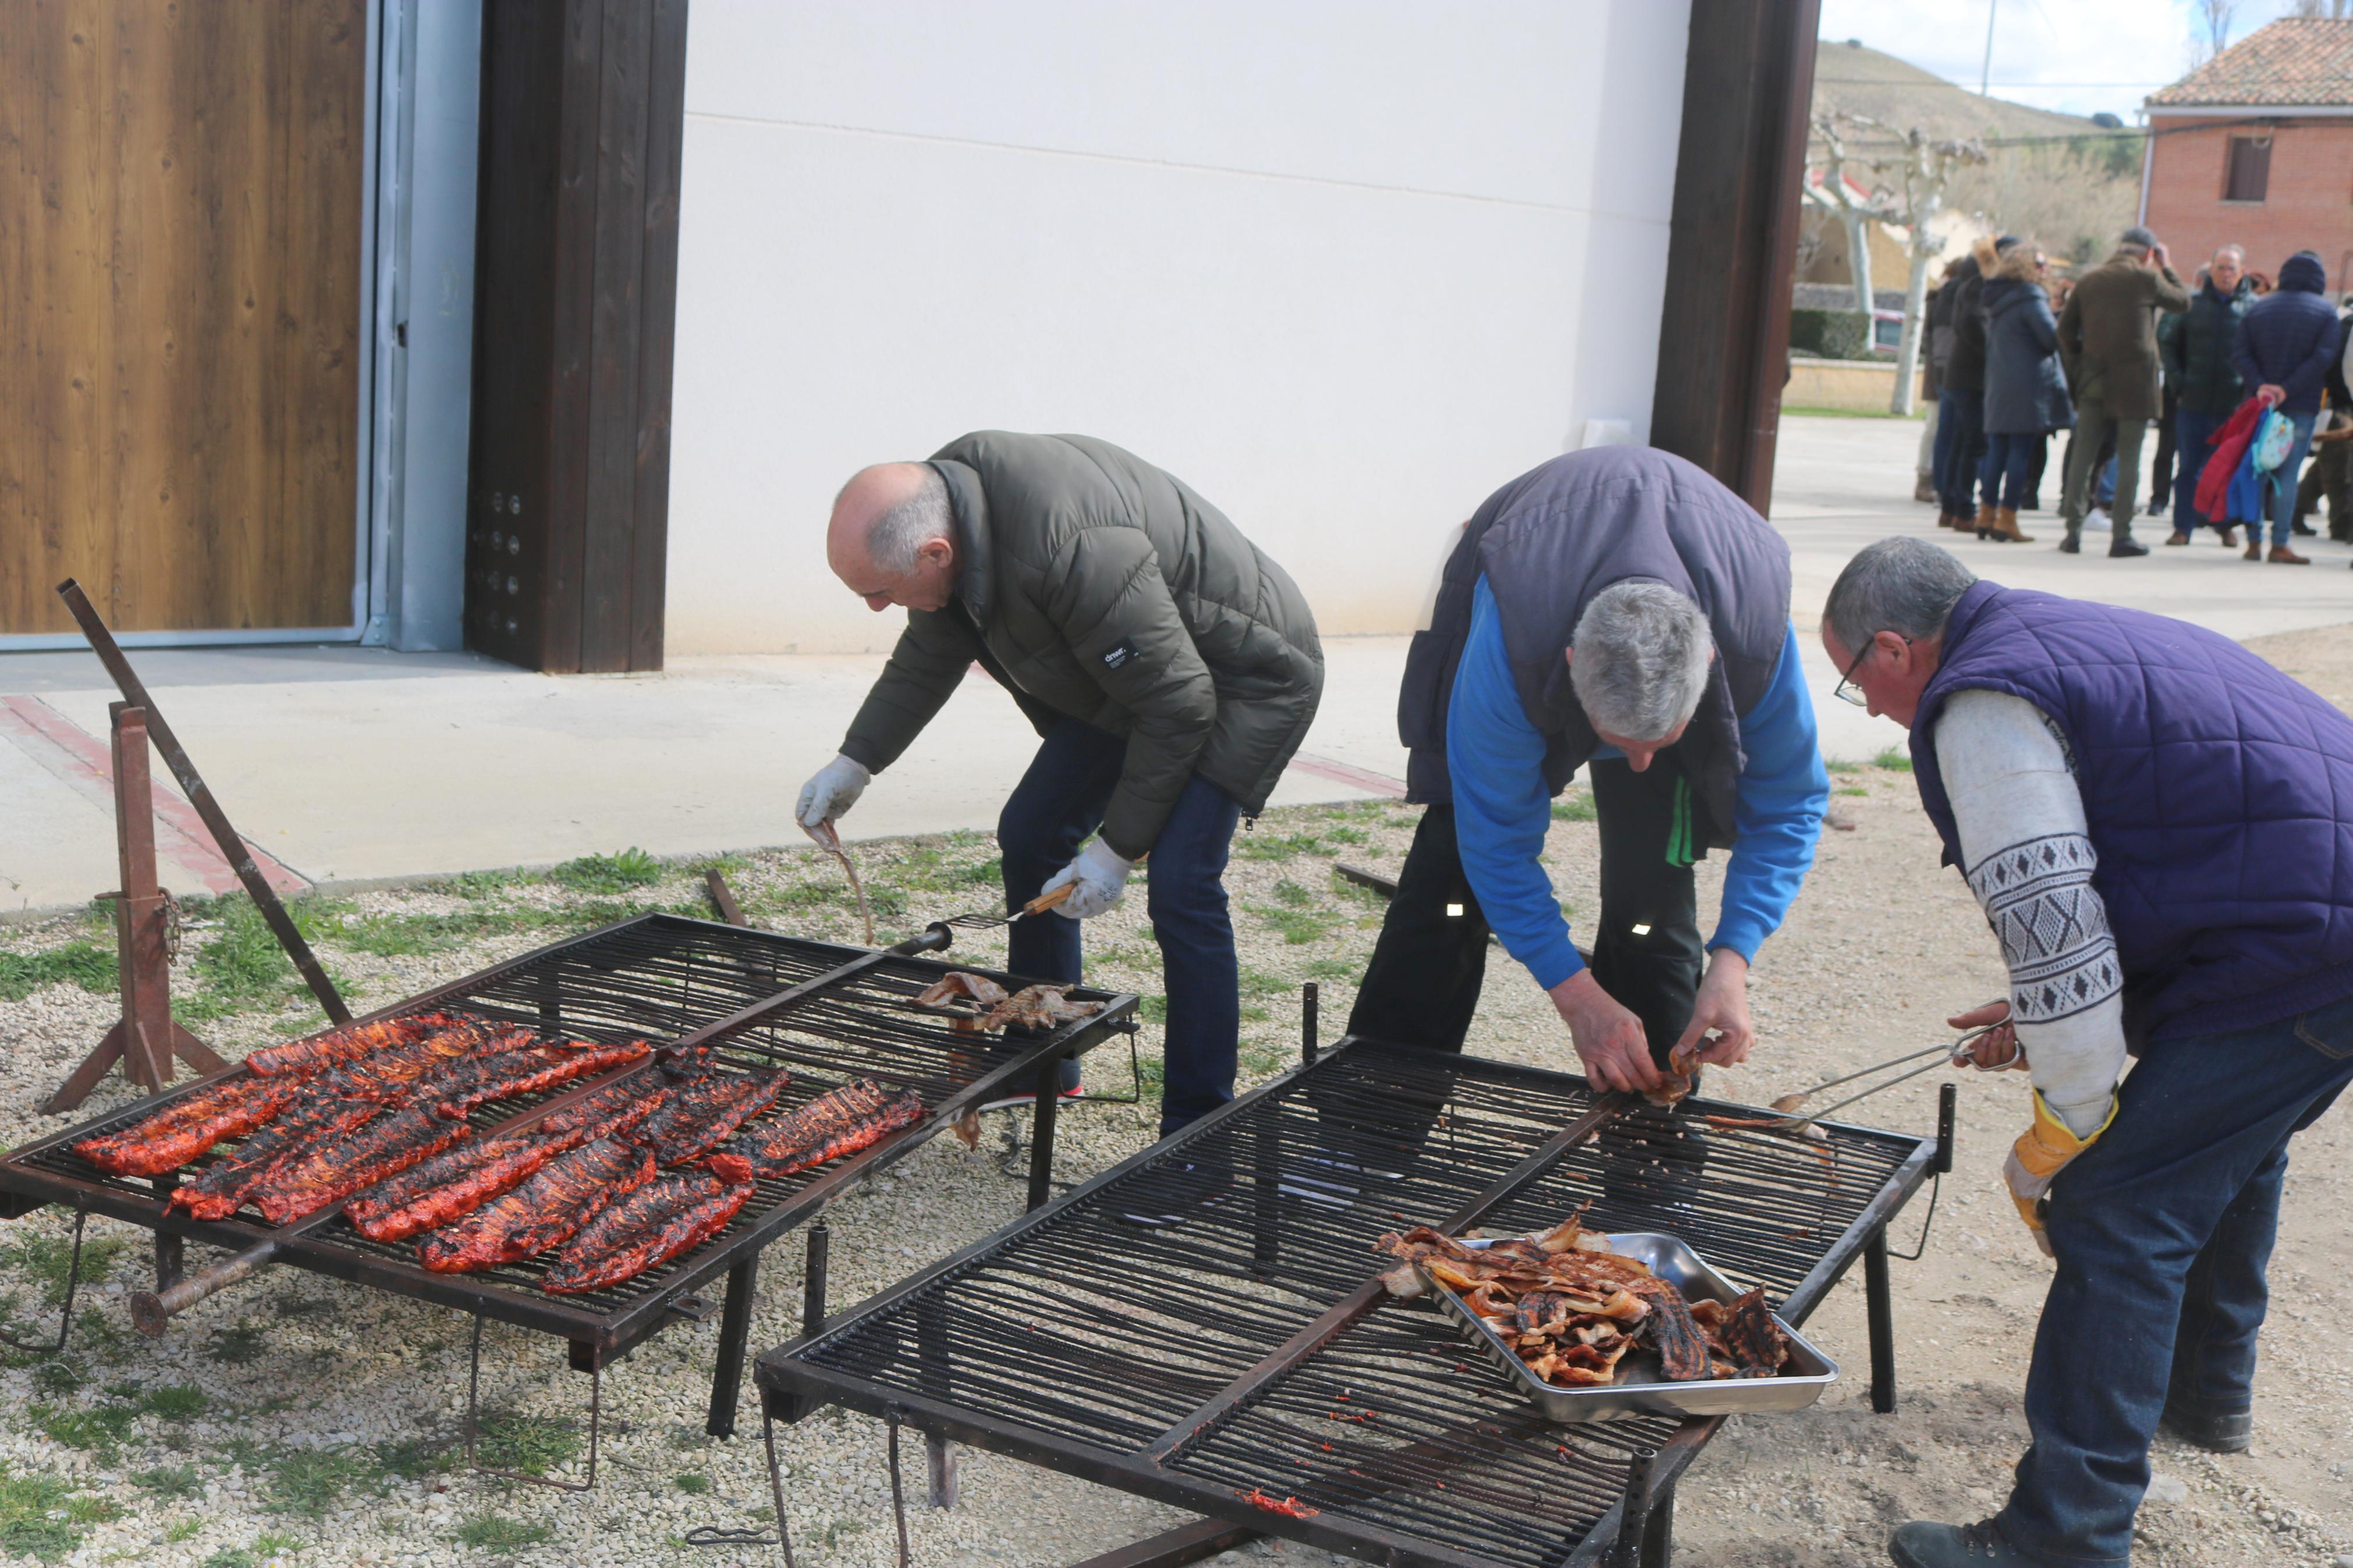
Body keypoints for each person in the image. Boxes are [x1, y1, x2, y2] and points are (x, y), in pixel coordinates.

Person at [1820, 538, 2353, 1568]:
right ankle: (2204, 1397)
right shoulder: (2053, 634)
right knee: (2220, 1142)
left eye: (1856, 684)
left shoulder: (1978, 705)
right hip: (2313, 921)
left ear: (1891, 649)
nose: (1872, 710)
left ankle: (2061, 1538)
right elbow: (2149, 850)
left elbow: (2052, 928)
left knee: (2115, 1208)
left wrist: (2068, 1114)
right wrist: (2042, 1012)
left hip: (2307, 945)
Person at [796, 432, 1323, 1149]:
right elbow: (930, 649)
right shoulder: (955, 508)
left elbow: (1179, 706)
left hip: (1242, 677)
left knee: (1182, 885)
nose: (876, 610)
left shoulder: (1067, 546)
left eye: (880, 594)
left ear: (934, 555)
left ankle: (1198, 1131)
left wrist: (1114, 852)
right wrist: (855, 761)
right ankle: (1041, 1056)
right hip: (1135, 677)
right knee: (1032, 829)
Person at [1347, 445, 1827, 1100]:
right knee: (1448, 885)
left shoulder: (1754, 636)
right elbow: (1495, 839)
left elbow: (1789, 804)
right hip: (1532, 569)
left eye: (1660, 742)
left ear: (1710, 662)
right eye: (1618, 742)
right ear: (1570, 663)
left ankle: (1648, 1132)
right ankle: (1374, 1123)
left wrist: (1732, 960)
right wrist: (1573, 995)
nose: (1637, 765)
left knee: (1650, 896)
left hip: (1693, 598)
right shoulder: (1510, 642)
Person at [2055, 226, 2191, 556]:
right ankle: (2121, 535)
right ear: (2148, 253)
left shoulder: (2089, 280)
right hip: (2136, 384)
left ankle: (2073, 532)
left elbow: (2064, 331)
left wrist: (2078, 368)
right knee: (2129, 458)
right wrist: (2167, 265)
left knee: (2083, 457)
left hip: (2094, 379)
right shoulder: (2146, 278)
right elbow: (2183, 302)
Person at [2230, 249, 2344, 564]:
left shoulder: (2259, 309)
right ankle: (2280, 544)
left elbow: (2240, 353)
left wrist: (2263, 386)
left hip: (2259, 404)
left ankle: (2253, 542)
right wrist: (2288, 388)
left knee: (2257, 470)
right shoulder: (2325, 313)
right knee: (2287, 474)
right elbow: (2323, 358)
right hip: (2301, 405)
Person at [1976, 242, 2070, 545]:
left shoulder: (1996, 296)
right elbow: (2051, 339)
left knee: (1997, 452)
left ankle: (1986, 513)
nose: (2045, 269)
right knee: (2019, 454)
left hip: (2000, 384)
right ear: (2028, 267)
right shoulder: (2031, 299)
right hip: (2027, 386)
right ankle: (2007, 518)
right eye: (2041, 263)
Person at [2162, 246, 2254, 546]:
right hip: (2193, 402)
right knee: (2188, 468)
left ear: (2241, 273)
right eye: (2221, 268)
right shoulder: (2191, 305)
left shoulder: (2252, 308)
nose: (2226, 274)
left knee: (2225, 469)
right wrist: (2179, 381)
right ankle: (2183, 527)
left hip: (2233, 406)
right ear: (2210, 271)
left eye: (2232, 269)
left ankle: (2224, 525)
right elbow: (2168, 343)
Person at [1932, 240, 1995, 532]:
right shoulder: (1976, 288)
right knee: (1973, 445)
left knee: (1961, 443)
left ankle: (1951, 507)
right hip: (1970, 377)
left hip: (1961, 376)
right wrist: (1990, 349)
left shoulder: (1964, 286)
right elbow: (1973, 324)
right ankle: (1964, 510)